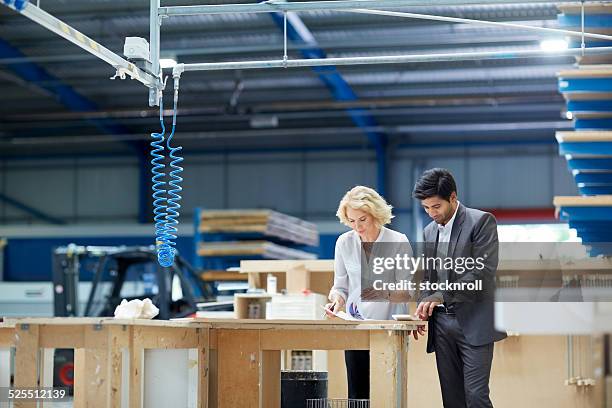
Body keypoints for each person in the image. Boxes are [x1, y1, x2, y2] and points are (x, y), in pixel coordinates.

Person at [412, 168, 506, 408]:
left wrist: (441, 294)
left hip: (474, 321)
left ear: (453, 197)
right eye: (426, 208)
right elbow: (428, 277)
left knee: (475, 396)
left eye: (436, 206)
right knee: (451, 399)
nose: (431, 213)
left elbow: (482, 272)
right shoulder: (429, 231)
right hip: (442, 324)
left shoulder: (481, 221)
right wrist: (423, 303)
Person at [325, 185, 411, 400]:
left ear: (375, 214)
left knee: (388, 392)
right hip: (356, 327)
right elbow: (340, 287)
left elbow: (405, 291)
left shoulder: (398, 241)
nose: (357, 226)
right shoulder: (344, 243)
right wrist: (336, 301)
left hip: (388, 329)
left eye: (362, 219)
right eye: (352, 221)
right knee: (358, 393)